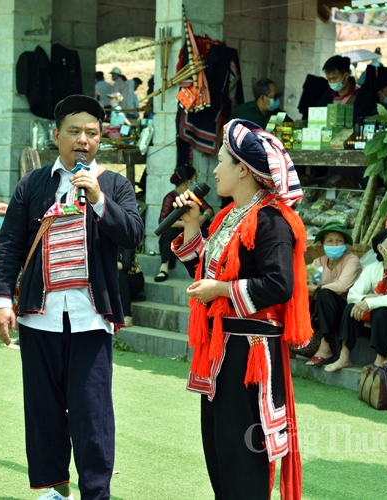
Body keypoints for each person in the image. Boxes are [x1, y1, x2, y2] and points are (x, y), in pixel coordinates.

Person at [0, 95, 144, 500]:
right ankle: (54, 491)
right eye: (74, 132)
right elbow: (9, 245)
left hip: (91, 318)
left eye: (91, 133)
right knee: (43, 410)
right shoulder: (33, 184)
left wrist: (97, 199)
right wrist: (2, 301)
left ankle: (96, 494)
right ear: (56, 136)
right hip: (39, 317)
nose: (82, 140)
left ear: (99, 141)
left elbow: (133, 235)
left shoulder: (114, 184)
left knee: (92, 413)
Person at [170, 118, 311, 499]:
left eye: (221, 161)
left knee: (242, 458)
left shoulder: (271, 220)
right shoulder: (228, 216)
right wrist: (191, 228)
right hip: (220, 353)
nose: (213, 170)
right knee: (220, 454)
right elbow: (208, 275)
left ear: (244, 169)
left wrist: (222, 289)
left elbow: (280, 285)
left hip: (248, 356)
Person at [324, 227, 387, 372]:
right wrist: (366, 298)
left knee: (381, 311)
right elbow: (352, 295)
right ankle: (344, 356)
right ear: (381, 249)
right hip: (370, 325)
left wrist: (369, 302)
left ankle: (379, 359)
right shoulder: (371, 269)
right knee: (351, 308)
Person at [304, 221, 362, 366]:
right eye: (330, 241)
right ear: (323, 244)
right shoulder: (319, 262)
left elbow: (342, 286)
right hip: (324, 310)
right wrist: (310, 287)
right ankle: (292, 343)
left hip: (347, 313)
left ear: (345, 244)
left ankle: (326, 346)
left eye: (339, 241)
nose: (335, 245)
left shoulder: (352, 260)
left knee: (325, 293)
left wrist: (316, 288)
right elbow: (304, 281)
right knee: (301, 296)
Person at [155, 164, 213, 283]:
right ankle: (164, 267)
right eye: (195, 178)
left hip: (194, 235)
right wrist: (186, 223)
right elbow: (162, 222)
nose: (196, 182)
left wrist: (203, 217)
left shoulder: (194, 196)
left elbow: (209, 209)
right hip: (178, 237)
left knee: (206, 223)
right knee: (169, 232)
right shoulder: (171, 197)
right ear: (187, 182)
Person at [118, 247, 144, 327]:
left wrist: (106, 263)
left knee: (119, 275)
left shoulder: (127, 241)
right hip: (115, 282)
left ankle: (127, 316)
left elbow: (126, 266)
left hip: (133, 280)